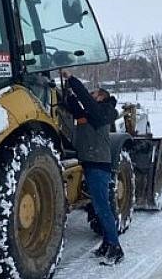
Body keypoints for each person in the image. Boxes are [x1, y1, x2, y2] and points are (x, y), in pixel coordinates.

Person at [61, 70, 124, 266]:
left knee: (103, 207)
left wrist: (72, 78)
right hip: (90, 164)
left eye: (95, 93)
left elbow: (85, 100)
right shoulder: (92, 114)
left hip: (98, 166)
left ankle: (115, 248)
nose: (92, 95)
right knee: (98, 206)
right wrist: (65, 91)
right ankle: (106, 244)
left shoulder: (102, 112)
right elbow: (76, 108)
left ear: (102, 98)